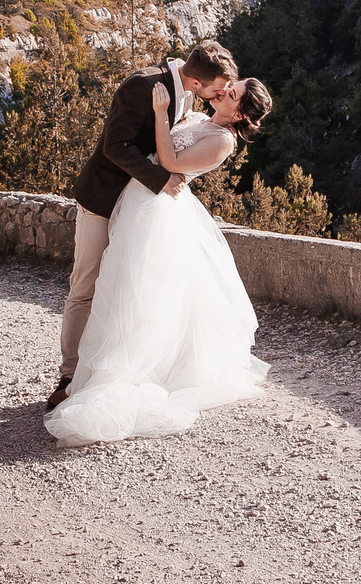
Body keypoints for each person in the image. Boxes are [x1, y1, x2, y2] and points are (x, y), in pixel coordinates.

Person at [44, 73, 276, 448]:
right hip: (138, 199)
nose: (221, 93)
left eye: (230, 95)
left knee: (136, 294)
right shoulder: (203, 122)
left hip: (154, 211)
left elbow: (169, 161)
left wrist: (161, 111)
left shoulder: (220, 141)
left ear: (237, 114)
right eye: (226, 87)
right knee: (113, 289)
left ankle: (118, 376)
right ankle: (78, 375)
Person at [50, 39, 241, 411]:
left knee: (127, 293)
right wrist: (159, 179)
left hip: (140, 214)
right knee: (86, 287)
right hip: (105, 200)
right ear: (199, 83)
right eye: (219, 88)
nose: (221, 94)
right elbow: (115, 147)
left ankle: (106, 372)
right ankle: (70, 376)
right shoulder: (143, 85)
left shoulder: (189, 97)